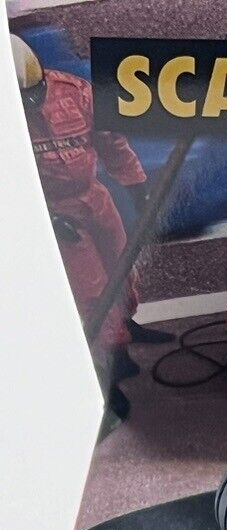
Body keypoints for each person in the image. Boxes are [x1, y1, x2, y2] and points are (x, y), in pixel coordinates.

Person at [13, 33, 171, 402]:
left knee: (121, 263)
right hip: (57, 208)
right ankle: (114, 356)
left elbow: (111, 141)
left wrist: (138, 189)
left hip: (94, 196)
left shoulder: (76, 92)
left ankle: (127, 322)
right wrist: (45, 219)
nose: (32, 103)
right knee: (91, 287)